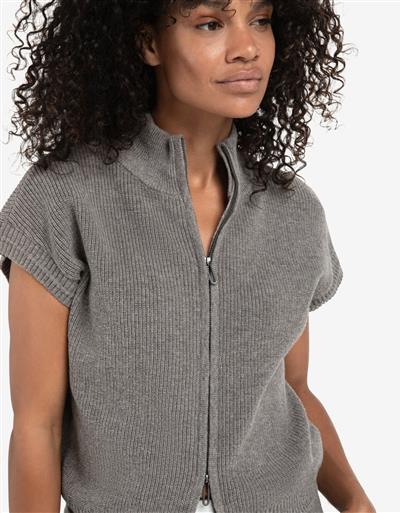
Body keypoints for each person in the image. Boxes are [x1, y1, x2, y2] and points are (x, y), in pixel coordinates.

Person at [0, 1, 376, 512]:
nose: (247, 48)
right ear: (149, 43)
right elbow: (36, 425)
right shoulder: (64, 198)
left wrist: (355, 500)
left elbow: (292, 387)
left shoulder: (294, 211)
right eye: (211, 24)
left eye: (261, 20)